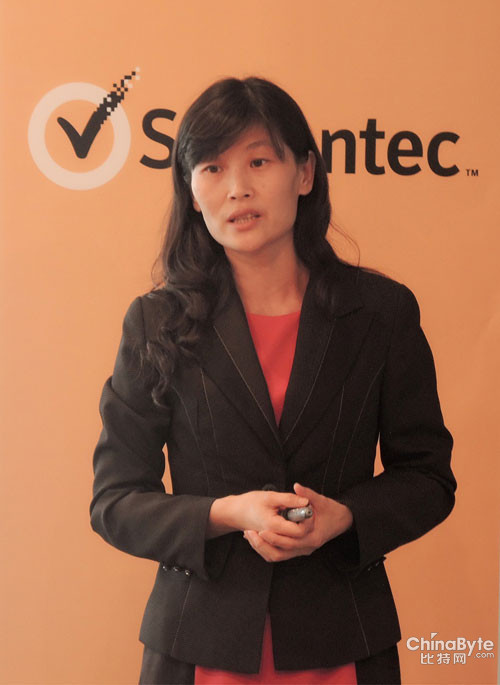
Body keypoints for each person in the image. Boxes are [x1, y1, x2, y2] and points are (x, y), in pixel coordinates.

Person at [90, 76, 456, 685]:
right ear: (191, 191)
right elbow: (116, 500)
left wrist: (345, 517)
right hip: (200, 646)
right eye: (212, 168)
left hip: (341, 640)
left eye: (259, 162)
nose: (237, 188)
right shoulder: (157, 322)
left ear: (305, 173)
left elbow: (428, 476)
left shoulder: (381, 313)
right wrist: (226, 514)